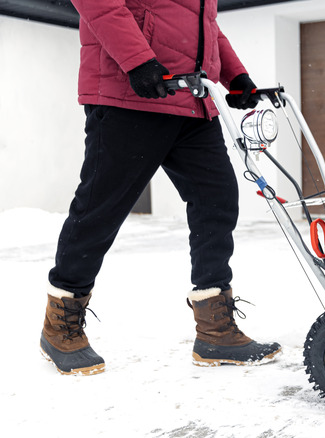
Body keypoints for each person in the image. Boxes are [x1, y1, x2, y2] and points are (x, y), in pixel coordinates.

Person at [39, 0, 281, 375]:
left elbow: (205, 24)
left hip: (191, 100)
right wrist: (137, 60)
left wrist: (235, 76)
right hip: (130, 95)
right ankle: (60, 322)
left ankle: (215, 328)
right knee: (101, 209)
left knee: (217, 201)